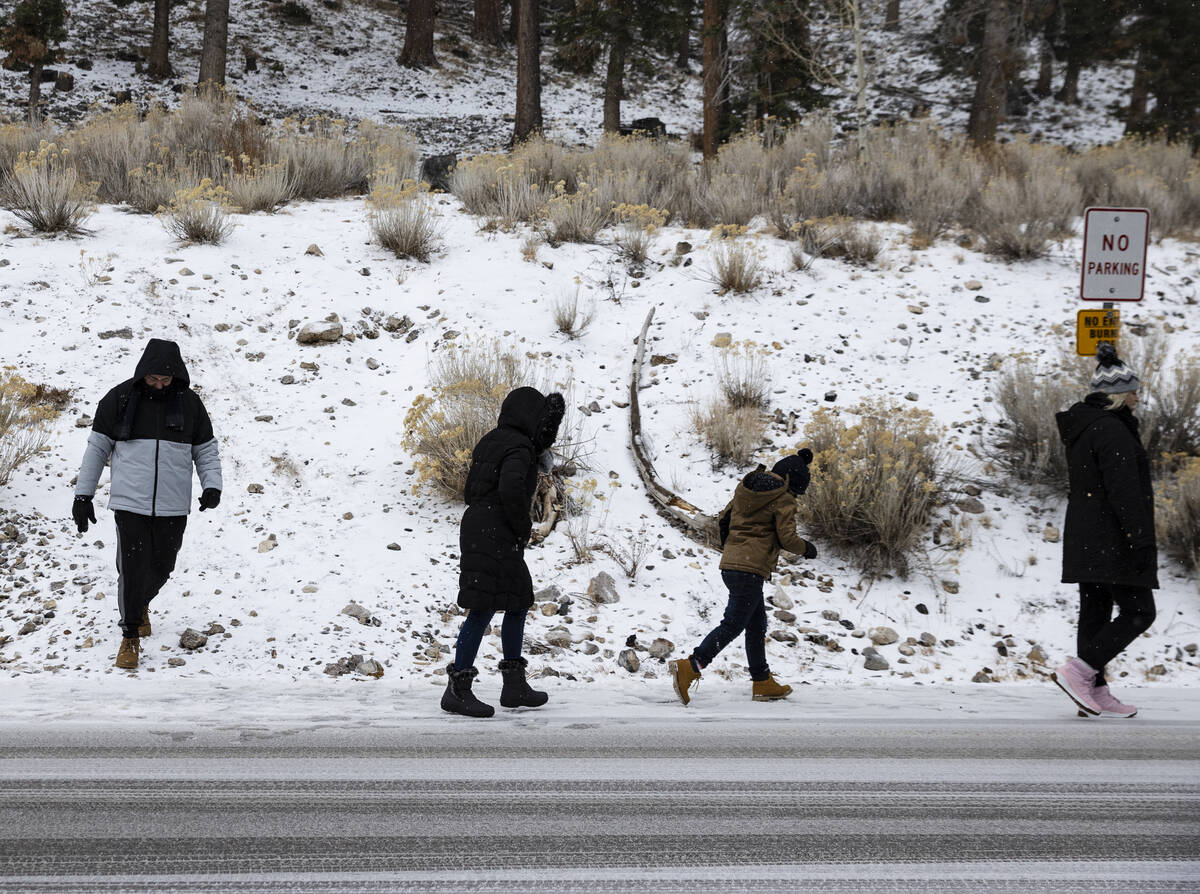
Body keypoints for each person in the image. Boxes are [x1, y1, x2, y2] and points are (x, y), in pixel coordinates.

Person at [73, 339, 222, 670]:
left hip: (172, 504)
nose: (159, 385)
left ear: (176, 377)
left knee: (163, 566)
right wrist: (83, 495)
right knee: (134, 567)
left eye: (165, 380)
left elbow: (206, 449)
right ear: (143, 373)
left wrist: (212, 485)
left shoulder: (189, 404)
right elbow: (97, 448)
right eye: (154, 379)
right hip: (130, 502)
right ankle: (130, 636)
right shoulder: (120, 399)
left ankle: (139, 604)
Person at [442, 386, 565, 718]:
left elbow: (471, 489)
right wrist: (521, 527)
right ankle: (458, 690)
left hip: (479, 524)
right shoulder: (521, 447)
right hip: (496, 528)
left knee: (517, 601)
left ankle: (514, 687)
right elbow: (511, 488)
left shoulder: (491, 439)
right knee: (483, 608)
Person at [1052, 343, 1157, 718]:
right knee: (1140, 612)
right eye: (1133, 392)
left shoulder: (1086, 428)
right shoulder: (1112, 432)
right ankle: (1078, 672)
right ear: (1115, 397)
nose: (1137, 399)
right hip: (1113, 538)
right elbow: (1124, 491)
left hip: (1087, 534)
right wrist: (1140, 539)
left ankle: (1093, 693)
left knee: (1095, 612)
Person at [669, 450, 819, 706]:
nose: (795, 497)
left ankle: (762, 681)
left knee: (756, 624)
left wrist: (734, 549)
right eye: (796, 491)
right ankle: (691, 665)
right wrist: (807, 548)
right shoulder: (783, 499)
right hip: (750, 569)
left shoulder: (746, 489)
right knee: (733, 624)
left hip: (733, 565)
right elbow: (787, 538)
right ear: (791, 483)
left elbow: (723, 520)